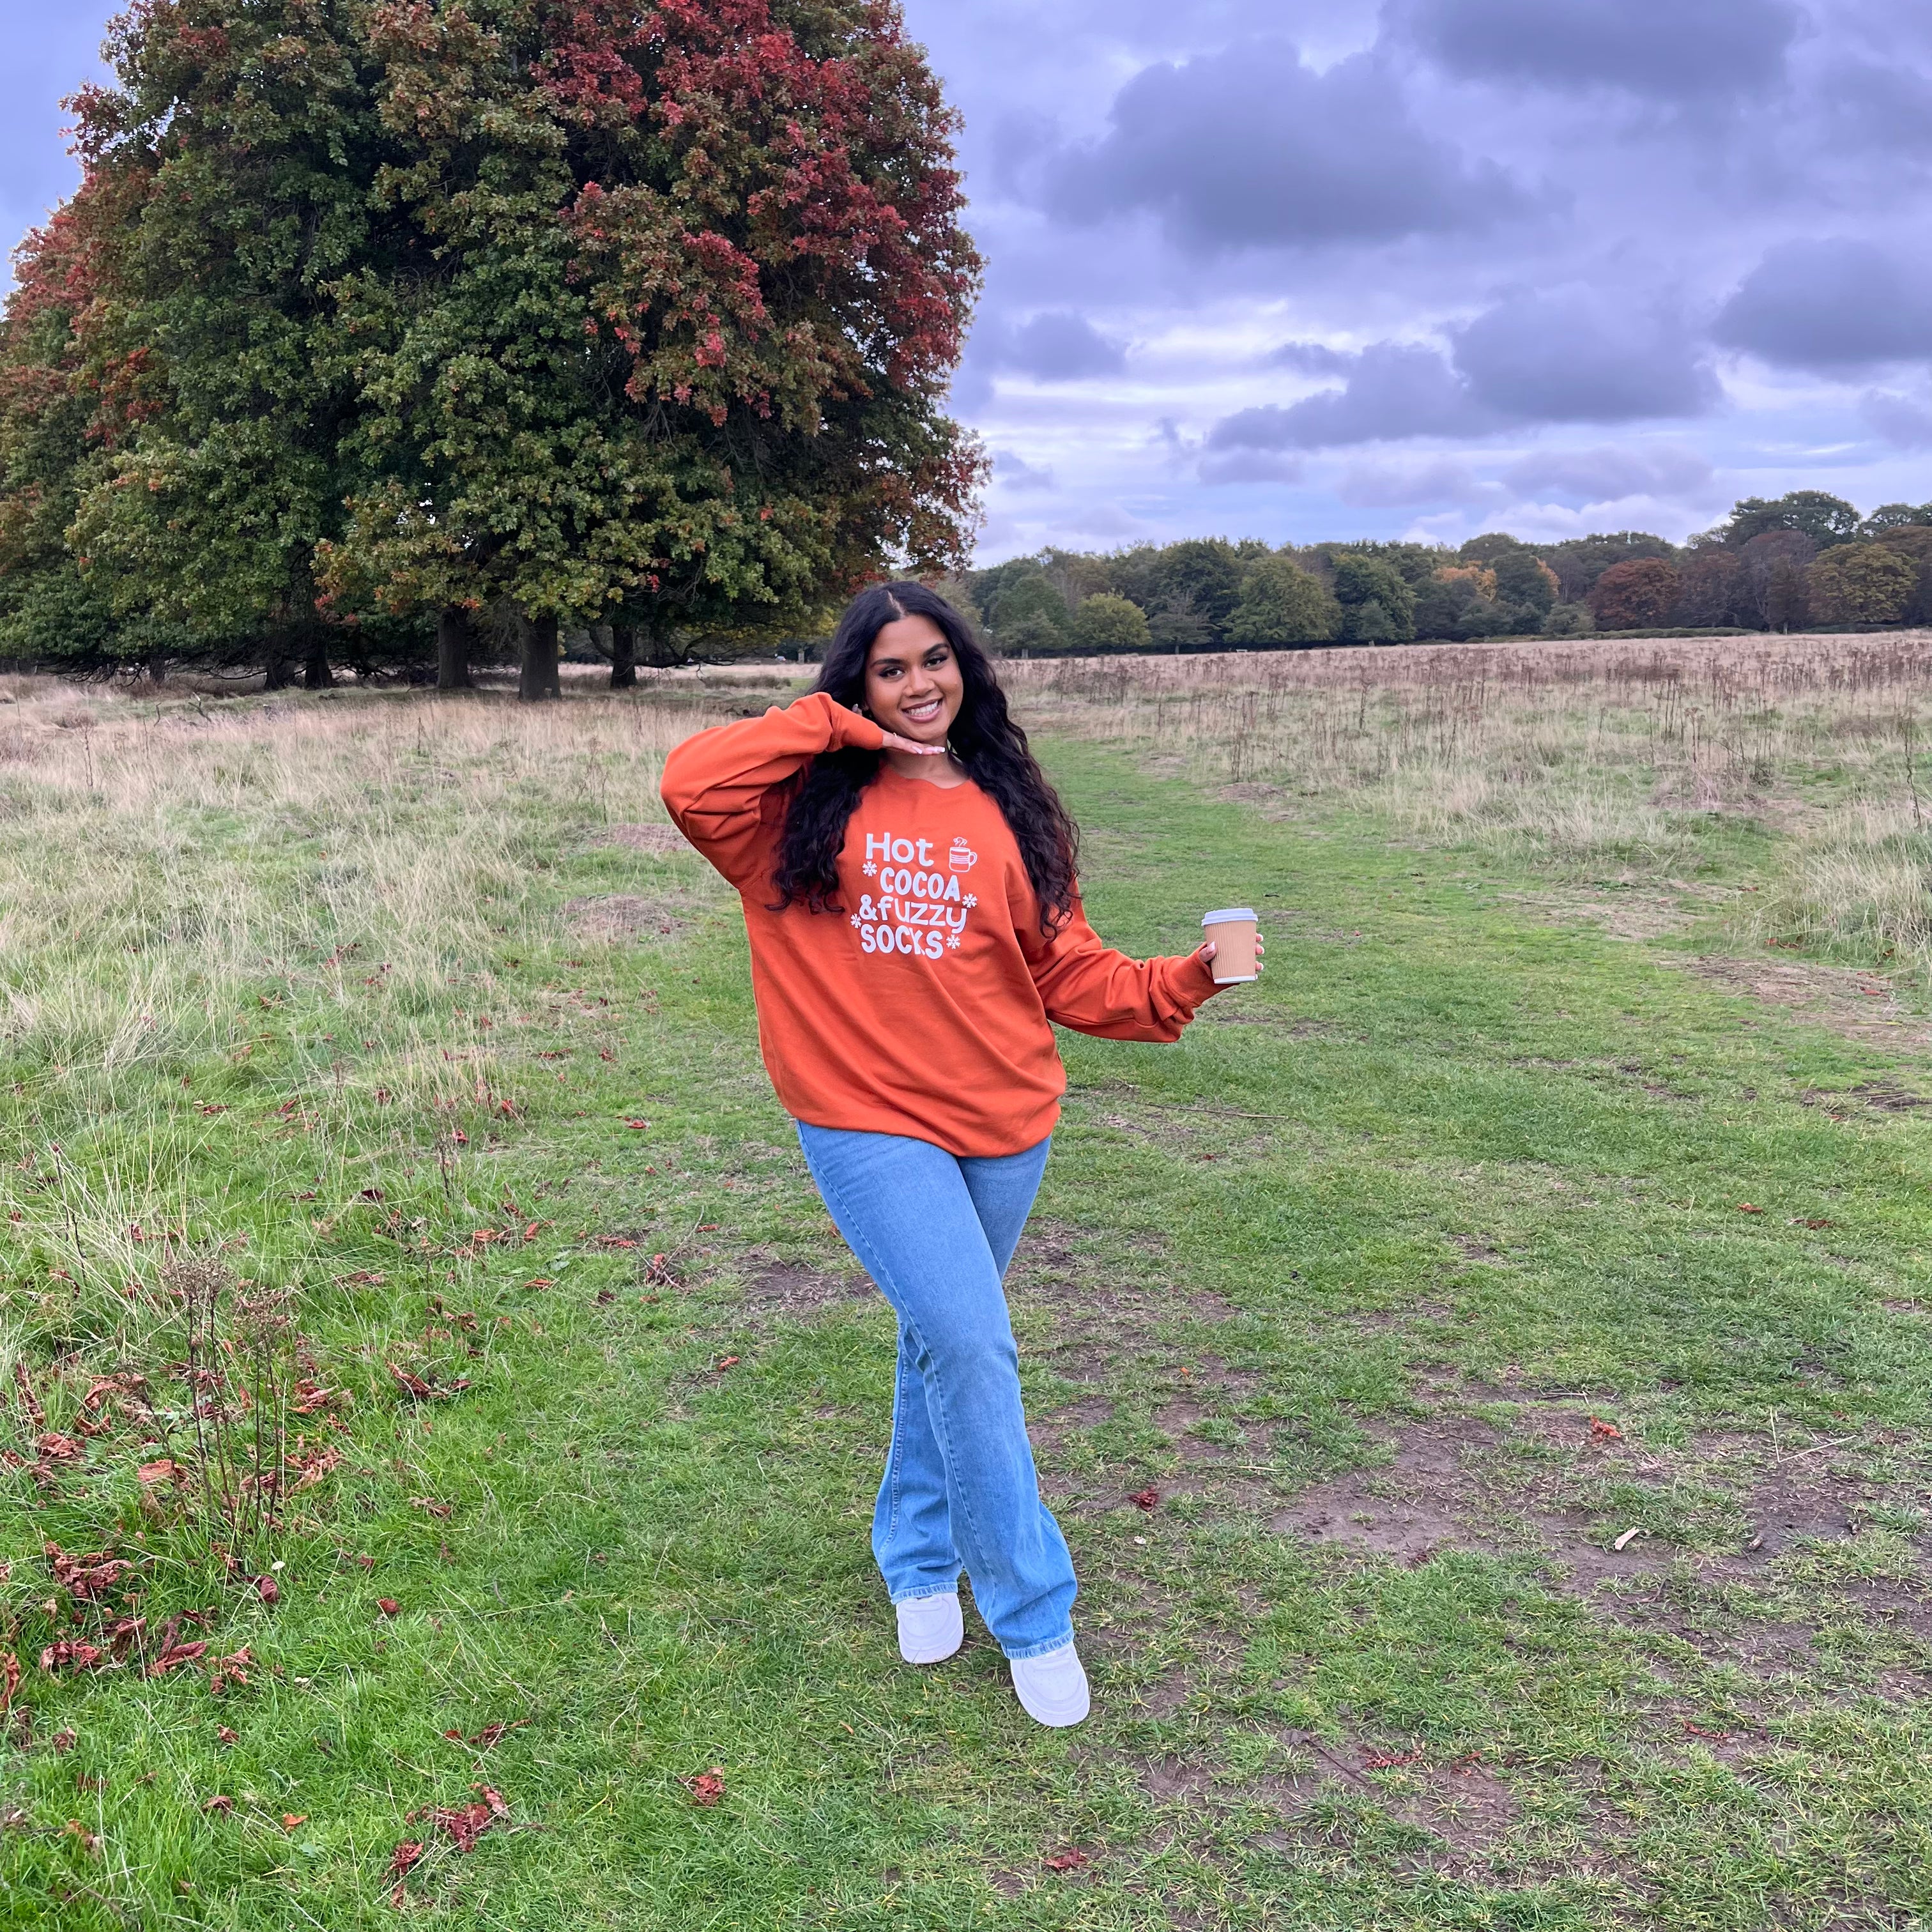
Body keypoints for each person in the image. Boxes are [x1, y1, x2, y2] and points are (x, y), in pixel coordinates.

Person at [660, 581, 1257, 1728]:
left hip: (1005, 1121)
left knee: (938, 1343)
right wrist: (834, 725)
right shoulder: (790, 809)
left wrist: (1182, 981)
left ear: (967, 669)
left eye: (936, 660)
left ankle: (919, 1559)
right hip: (863, 1117)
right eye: (889, 668)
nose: (919, 684)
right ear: (857, 682)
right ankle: (1034, 1610)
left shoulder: (1010, 805)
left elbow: (1065, 969)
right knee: (976, 1346)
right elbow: (691, 779)